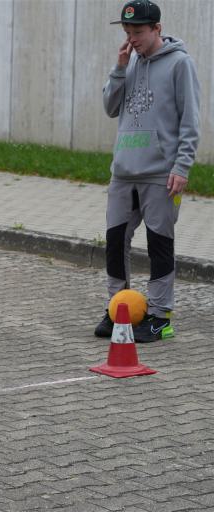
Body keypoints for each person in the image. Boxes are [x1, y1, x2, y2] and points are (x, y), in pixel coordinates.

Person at [95, 0, 200, 343]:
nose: (132, 38)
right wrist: (119, 68)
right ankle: (118, 309)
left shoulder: (180, 63)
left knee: (159, 243)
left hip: (160, 173)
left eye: (138, 31)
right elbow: (110, 107)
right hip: (123, 171)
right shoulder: (129, 61)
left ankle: (159, 317)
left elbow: (190, 121)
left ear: (157, 28)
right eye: (127, 31)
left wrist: (182, 166)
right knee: (115, 241)